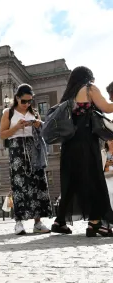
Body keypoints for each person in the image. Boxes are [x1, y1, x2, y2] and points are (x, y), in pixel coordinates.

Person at [51, 66, 113, 237]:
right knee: (94, 180)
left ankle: (59, 221)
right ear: (88, 78)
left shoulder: (68, 96)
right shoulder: (89, 89)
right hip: (86, 142)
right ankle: (95, 223)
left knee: (72, 184)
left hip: (69, 144)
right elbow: (107, 108)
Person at [0, 83, 52, 235]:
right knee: (19, 185)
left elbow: (43, 132)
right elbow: (2, 134)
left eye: (30, 101)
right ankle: (19, 222)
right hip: (17, 150)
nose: (27, 104)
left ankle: (37, 222)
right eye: (24, 101)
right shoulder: (8, 113)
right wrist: (16, 127)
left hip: (34, 148)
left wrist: (38, 124)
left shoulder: (34, 112)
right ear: (17, 98)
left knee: (38, 183)